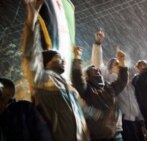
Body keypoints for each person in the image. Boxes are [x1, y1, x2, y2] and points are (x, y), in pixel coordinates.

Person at [21, 1, 100, 140]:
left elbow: (83, 112)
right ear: (46, 63)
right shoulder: (43, 79)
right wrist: (31, 20)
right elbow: (29, 54)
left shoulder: (67, 85)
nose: (63, 60)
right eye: (58, 57)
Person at [72, 47, 128, 141]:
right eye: (93, 69)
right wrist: (77, 58)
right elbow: (77, 79)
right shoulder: (87, 90)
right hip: (97, 137)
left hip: (115, 136)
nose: (97, 70)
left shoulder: (109, 88)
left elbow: (122, 81)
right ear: (87, 76)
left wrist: (122, 62)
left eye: (98, 70)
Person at [106, 54, 146, 141]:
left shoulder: (128, 83)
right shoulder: (111, 80)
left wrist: (140, 119)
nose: (119, 65)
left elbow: (134, 101)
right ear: (110, 68)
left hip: (135, 121)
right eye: (116, 64)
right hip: (125, 121)